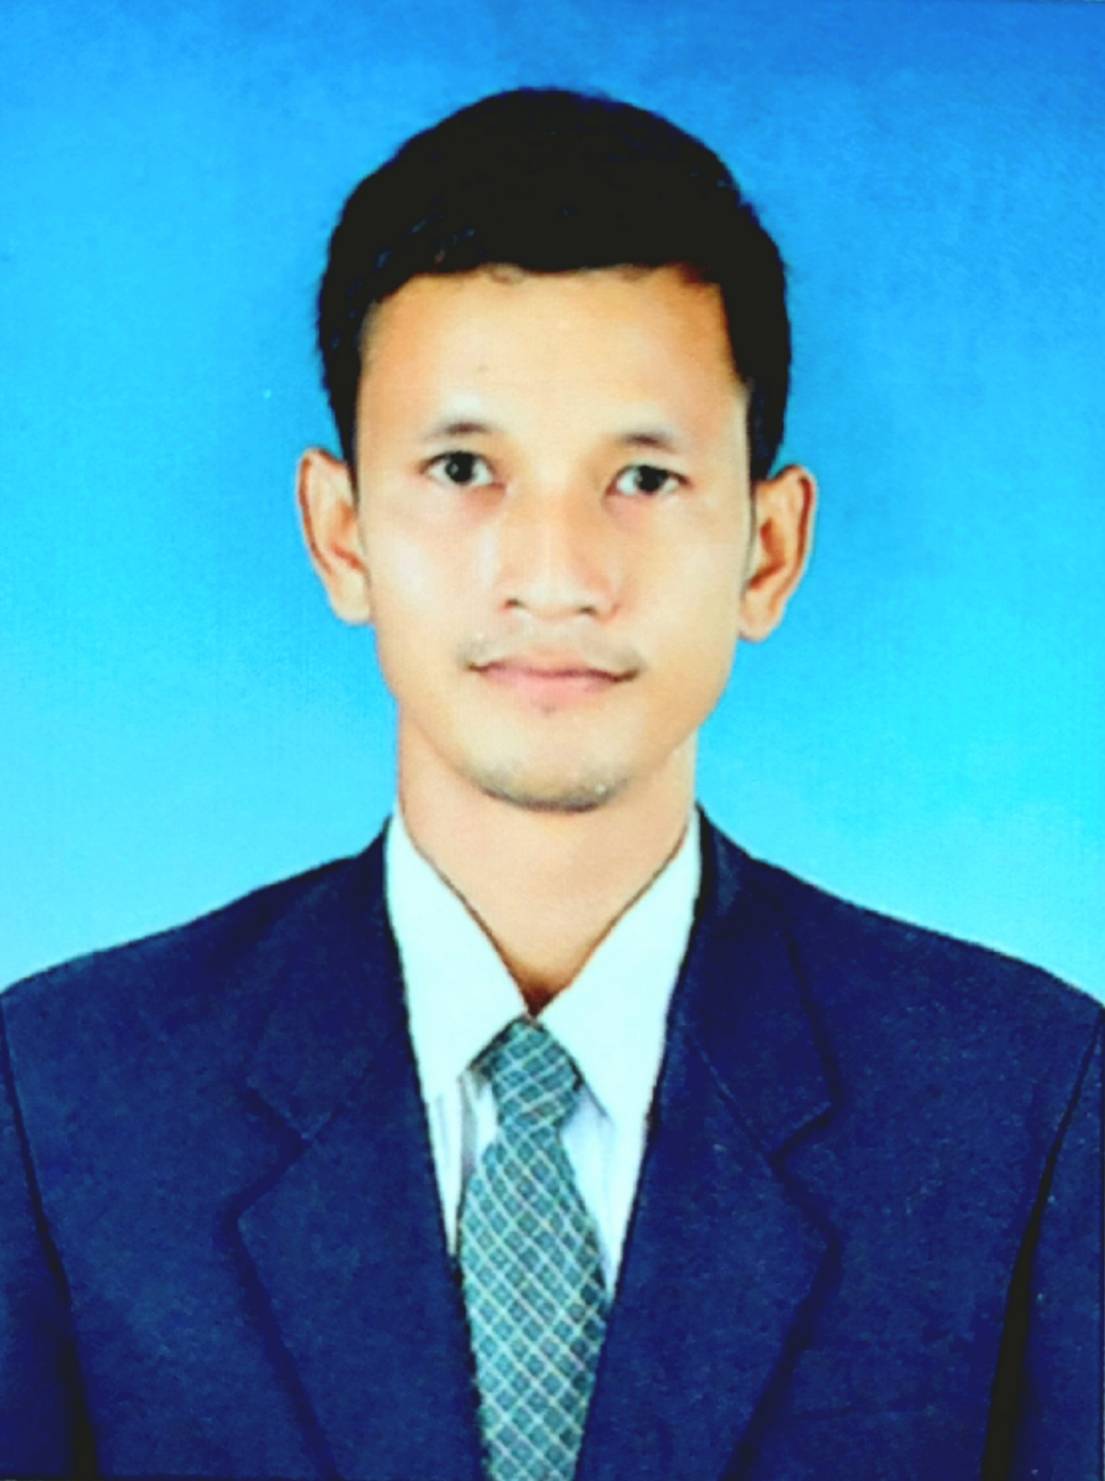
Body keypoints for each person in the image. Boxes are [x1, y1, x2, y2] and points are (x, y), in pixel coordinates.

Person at [1, 86, 1100, 1481]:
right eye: (464, 467)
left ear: (766, 549)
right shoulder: (66, 1100)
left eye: (642, 478)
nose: (556, 577)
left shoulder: (1020, 1105)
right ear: (341, 534)